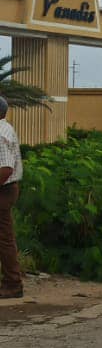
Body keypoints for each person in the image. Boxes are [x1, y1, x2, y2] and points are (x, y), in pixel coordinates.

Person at [0, 97, 24, 299]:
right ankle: (11, 281)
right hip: (6, 189)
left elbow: (5, 168)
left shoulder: (0, 133)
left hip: (3, 190)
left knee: (4, 238)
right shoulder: (5, 128)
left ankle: (12, 283)